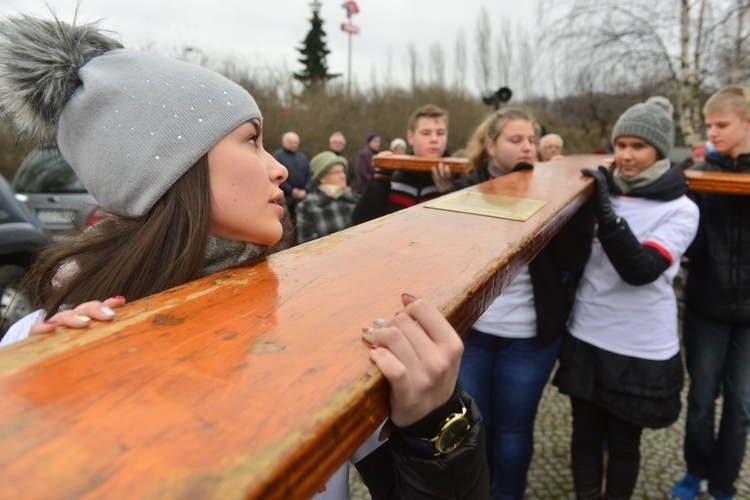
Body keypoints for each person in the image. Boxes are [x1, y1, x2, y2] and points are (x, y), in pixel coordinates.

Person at [0, 14, 490, 499]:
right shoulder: (35, 347)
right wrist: (37, 412)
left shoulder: (315, 313)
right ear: (174, 172)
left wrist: (438, 425)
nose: (278, 168)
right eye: (251, 140)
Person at [553, 96, 699, 499]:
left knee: (623, 444)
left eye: (638, 146)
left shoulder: (682, 209)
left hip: (640, 344)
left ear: (660, 151)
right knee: (583, 437)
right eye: (621, 145)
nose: (627, 155)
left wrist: (604, 209)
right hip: (588, 331)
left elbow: (641, 270)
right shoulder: (601, 190)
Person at [452, 107, 593, 499]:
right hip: (475, 333)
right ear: (491, 145)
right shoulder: (467, 189)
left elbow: (571, 260)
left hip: (532, 336)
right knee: (477, 428)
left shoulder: (552, 188)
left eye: (531, 140)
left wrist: (582, 201)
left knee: (514, 431)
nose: (527, 146)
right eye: (516, 140)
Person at [671, 86, 750, 500]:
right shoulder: (698, 174)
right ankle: (694, 471)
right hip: (706, 302)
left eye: (722, 125)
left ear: (747, 123)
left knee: (740, 408)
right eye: (709, 124)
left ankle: (723, 485)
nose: (712, 132)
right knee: (702, 400)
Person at [352, 104, 454, 224]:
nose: (434, 139)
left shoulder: (460, 178)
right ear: (410, 137)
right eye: (426, 133)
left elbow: (464, 230)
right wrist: (380, 178)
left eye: (440, 133)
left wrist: (449, 194)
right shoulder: (393, 176)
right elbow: (359, 222)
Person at [296, 151, 359, 244]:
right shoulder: (307, 206)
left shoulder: (353, 199)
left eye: (343, 171)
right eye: (337, 172)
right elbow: (307, 245)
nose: (343, 176)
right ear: (322, 178)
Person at [273, 131, 312, 222]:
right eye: (290, 142)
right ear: (283, 143)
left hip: (303, 198)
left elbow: (310, 175)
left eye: (295, 143)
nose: (293, 145)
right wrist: (291, 190)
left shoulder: (303, 158)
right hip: (285, 200)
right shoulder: (277, 157)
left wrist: (306, 190)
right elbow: (276, 177)